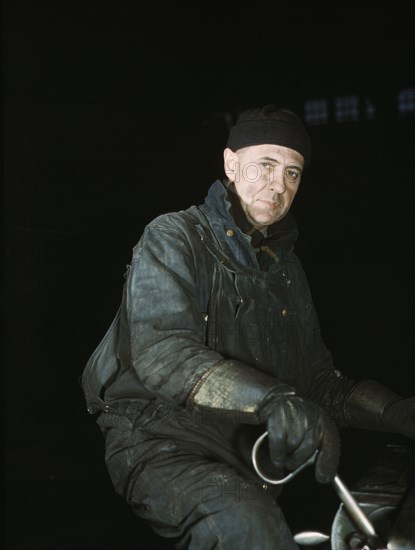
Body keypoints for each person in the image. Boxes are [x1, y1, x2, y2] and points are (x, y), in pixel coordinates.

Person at [81, 104, 415, 549]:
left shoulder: (286, 270)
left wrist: (396, 414)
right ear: (230, 164)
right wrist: (273, 401)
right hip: (160, 440)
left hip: (246, 454)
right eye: (265, 165)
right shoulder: (175, 236)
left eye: (293, 174)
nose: (279, 185)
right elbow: (162, 354)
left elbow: (320, 384)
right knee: (248, 527)